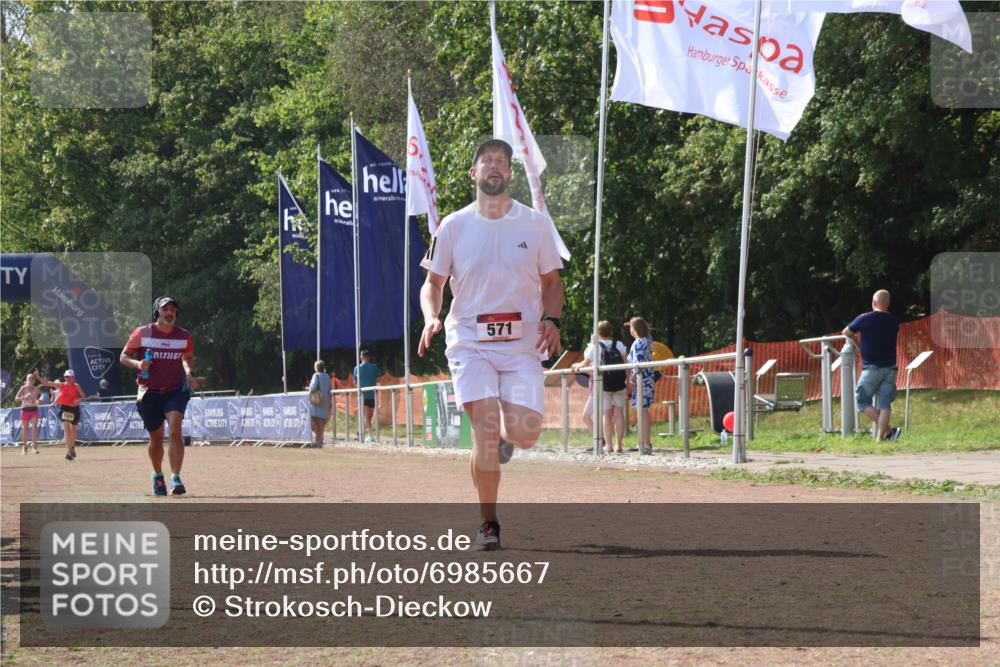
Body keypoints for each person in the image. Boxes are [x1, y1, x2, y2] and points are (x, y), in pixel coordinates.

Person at [418, 138, 564, 551]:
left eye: (502, 161)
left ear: (511, 174)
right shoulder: (453, 226)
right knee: (483, 433)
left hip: (521, 347)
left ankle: (506, 435)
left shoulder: (534, 224)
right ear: (474, 174)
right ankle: (489, 524)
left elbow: (552, 283)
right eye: (487, 161)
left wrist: (552, 320)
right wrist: (431, 316)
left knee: (526, 434)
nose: (495, 167)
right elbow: (433, 283)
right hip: (470, 343)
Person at [120, 296, 198, 496]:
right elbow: (124, 356)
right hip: (149, 392)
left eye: (173, 309)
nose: (170, 312)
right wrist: (138, 364)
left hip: (175, 390)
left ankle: (175, 478)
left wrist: (188, 372)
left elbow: (187, 358)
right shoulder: (142, 333)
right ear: (158, 312)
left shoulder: (183, 336)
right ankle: (157, 474)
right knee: (155, 438)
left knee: (175, 429)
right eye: (166, 309)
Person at [843, 289, 901, 442]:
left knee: (862, 401)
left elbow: (847, 332)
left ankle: (888, 431)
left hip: (872, 368)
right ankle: (882, 438)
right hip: (891, 368)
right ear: (888, 303)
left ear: (873, 302)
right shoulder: (894, 321)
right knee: (885, 404)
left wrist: (857, 344)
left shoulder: (865, 319)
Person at [572, 320, 628, 454]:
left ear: (597, 333)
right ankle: (618, 445)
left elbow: (585, 363)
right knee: (619, 414)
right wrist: (629, 382)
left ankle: (608, 446)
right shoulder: (619, 345)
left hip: (604, 384)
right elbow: (626, 364)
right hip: (620, 383)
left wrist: (577, 366)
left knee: (606, 415)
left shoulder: (594, 346)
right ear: (611, 332)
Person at [34, 369, 88, 460]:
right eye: (66, 377)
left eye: (69, 377)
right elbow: (47, 383)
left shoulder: (77, 386)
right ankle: (70, 450)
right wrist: (38, 376)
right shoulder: (61, 385)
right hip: (65, 408)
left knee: (73, 431)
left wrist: (79, 400)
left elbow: (83, 396)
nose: (67, 378)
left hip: (74, 409)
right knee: (66, 431)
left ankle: (71, 449)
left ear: (73, 377)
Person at [626, 316, 655, 454]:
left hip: (641, 380)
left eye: (631, 327)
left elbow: (637, 365)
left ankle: (644, 444)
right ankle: (646, 442)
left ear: (635, 329)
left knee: (642, 412)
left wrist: (629, 380)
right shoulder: (648, 340)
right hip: (648, 378)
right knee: (644, 411)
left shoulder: (638, 344)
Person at [352, 350, 380, 443]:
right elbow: (378, 378)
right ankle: (366, 434)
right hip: (373, 395)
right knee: (369, 417)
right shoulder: (374, 367)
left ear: (361, 357)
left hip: (363, 395)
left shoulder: (357, 368)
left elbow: (355, 382)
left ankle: (364, 434)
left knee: (367, 417)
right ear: (369, 357)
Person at [307, 360, 332, 446]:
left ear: (316, 367)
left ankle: (317, 438)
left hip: (316, 400)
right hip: (325, 401)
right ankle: (320, 438)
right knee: (321, 420)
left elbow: (313, 387)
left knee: (312, 419)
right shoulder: (327, 376)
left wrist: (309, 389)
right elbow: (329, 388)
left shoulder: (315, 375)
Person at [15, 373, 42, 454]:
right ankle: (25, 447)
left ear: (34, 381)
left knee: (34, 428)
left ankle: (34, 447)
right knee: (25, 429)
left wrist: (36, 401)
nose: (30, 380)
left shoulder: (36, 389)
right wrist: (24, 397)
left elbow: (42, 398)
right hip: (25, 410)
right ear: (26, 379)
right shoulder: (23, 388)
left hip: (34, 410)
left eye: (32, 378)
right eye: (29, 378)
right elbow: (16, 399)